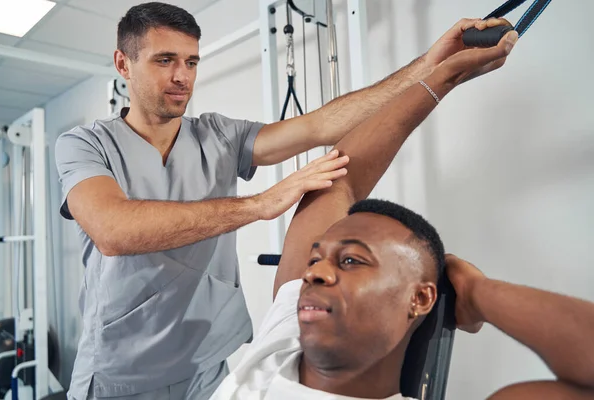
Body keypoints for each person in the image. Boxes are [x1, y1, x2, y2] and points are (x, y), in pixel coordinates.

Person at [54, 1, 518, 399]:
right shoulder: (85, 145)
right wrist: (262, 203)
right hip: (122, 373)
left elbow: (322, 126)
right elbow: (113, 231)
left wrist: (432, 65)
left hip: (209, 365)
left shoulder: (216, 134)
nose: (182, 77)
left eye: (192, 62)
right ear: (123, 63)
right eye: (165, 60)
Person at [208, 17, 594, 400]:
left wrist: (477, 293)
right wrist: (441, 77)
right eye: (315, 260)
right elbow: (340, 179)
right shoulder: (281, 344)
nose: (315, 274)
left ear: (420, 298)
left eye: (351, 262)